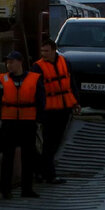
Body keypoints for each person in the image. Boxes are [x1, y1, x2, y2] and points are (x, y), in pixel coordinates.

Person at [0, 50, 45, 199]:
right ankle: (5, 191)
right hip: (8, 123)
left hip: (28, 123)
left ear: (20, 62)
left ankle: (27, 190)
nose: (9, 65)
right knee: (7, 158)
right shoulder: (2, 80)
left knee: (28, 158)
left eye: (12, 62)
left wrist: (39, 120)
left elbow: (41, 101)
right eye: (7, 62)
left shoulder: (34, 79)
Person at [34, 37, 79, 184]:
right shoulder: (38, 67)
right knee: (48, 142)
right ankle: (49, 174)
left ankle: (41, 172)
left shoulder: (65, 62)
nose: (44, 54)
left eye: (46, 51)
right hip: (48, 110)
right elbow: (36, 91)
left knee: (55, 142)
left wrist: (76, 102)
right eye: (42, 51)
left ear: (54, 50)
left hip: (64, 108)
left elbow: (71, 84)